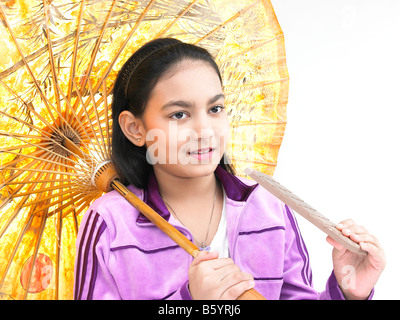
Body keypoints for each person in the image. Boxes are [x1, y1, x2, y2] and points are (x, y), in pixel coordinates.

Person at [73, 38, 385, 300]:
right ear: (134, 128)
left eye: (215, 109)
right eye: (179, 114)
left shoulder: (271, 209)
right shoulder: (109, 224)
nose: (204, 129)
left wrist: (347, 291)